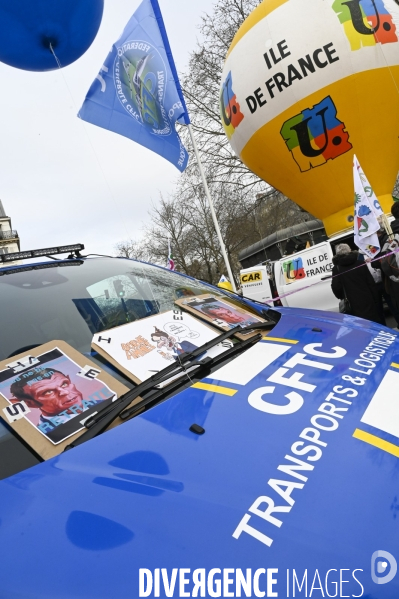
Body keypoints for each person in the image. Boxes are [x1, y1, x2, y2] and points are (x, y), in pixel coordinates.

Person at [10, 368, 104, 431]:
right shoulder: (43, 436)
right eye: (48, 392)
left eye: (64, 384)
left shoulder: (108, 403)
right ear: (29, 403)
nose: (65, 392)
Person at [331, 244, 385, 324]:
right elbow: (370, 282)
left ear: (337, 254)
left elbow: (336, 287)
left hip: (351, 303)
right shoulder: (360, 263)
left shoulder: (337, 268)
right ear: (350, 251)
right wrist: (376, 299)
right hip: (367, 300)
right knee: (373, 324)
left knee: (359, 327)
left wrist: (342, 296)